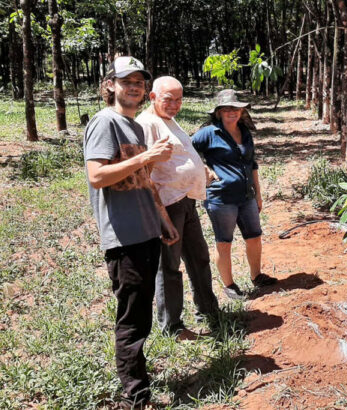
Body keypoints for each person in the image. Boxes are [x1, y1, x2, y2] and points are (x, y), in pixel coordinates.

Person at [83, 56, 177, 407]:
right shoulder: (104, 122)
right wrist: (144, 157)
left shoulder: (135, 127)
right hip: (123, 237)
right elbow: (96, 176)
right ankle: (135, 397)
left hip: (146, 231)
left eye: (139, 82)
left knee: (141, 313)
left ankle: (139, 381)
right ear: (110, 85)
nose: (134, 87)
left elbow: (142, 179)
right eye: (127, 81)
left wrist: (161, 218)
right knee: (132, 319)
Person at [136, 76, 220, 341]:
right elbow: (144, 171)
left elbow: (180, 153)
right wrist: (161, 217)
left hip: (186, 200)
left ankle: (208, 310)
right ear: (152, 97)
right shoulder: (146, 124)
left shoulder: (167, 119)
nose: (174, 105)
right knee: (169, 266)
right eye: (168, 99)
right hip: (168, 205)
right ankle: (171, 325)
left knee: (199, 257)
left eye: (179, 100)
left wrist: (201, 168)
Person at [192, 89, 276, 300]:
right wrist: (203, 168)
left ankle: (256, 276)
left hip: (246, 196)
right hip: (221, 198)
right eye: (226, 108)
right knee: (224, 242)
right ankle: (229, 285)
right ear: (219, 112)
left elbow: (252, 163)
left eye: (236, 108)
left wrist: (258, 193)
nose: (232, 112)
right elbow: (187, 151)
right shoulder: (209, 133)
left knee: (254, 237)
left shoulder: (244, 132)